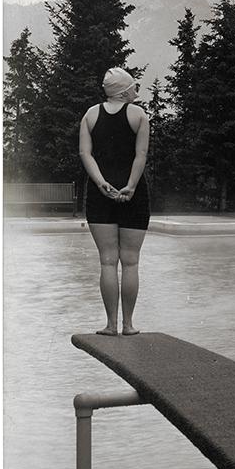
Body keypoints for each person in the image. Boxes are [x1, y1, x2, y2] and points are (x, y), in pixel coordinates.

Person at [79, 67, 151, 336]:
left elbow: (86, 154)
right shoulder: (138, 115)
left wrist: (100, 183)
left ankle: (110, 325)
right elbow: (140, 155)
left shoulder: (90, 115)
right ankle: (128, 325)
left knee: (107, 261)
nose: (136, 91)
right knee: (130, 262)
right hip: (134, 193)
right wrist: (131, 186)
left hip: (101, 195)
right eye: (134, 87)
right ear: (123, 91)